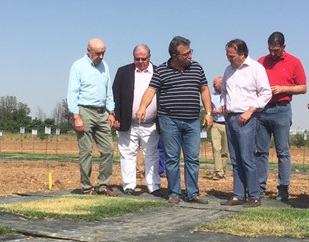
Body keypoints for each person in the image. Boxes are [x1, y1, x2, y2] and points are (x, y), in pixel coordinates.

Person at [136, 36, 213, 205]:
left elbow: (204, 89)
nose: (190, 56)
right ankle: (174, 193)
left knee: (192, 158)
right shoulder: (162, 70)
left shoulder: (197, 68)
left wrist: (208, 112)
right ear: (174, 56)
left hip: (192, 121)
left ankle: (193, 193)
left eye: (190, 52)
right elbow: (151, 91)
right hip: (169, 121)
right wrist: (142, 107)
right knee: (172, 158)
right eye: (185, 54)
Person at [255, 32, 307, 201]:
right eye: (270, 49)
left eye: (276, 50)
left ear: (283, 47)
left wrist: (284, 89)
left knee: (282, 151)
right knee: (260, 151)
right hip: (262, 110)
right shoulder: (261, 62)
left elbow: (303, 87)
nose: (272, 53)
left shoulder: (294, 62)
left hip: (282, 110)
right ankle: (260, 187)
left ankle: (283, 188)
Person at [220, 39, 272, 208]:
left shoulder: (256, 68)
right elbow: (223, 91)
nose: (229, 59)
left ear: (242, 55)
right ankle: (238, 194)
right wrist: (224, 105)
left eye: (232, 56)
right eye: (227, 55)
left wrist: (250, 111)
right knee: (235, 158)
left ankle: (254, 196)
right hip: (231, 117)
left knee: (247, 157)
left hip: (247, 118)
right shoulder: (228, 70)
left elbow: (266, 93)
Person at [67, 38, 118, 196]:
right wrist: (76, 116)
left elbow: (108, 90)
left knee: (108, 149)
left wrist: (111, 112)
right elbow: (73, 92)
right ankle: (87, 187)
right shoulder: (78, 66)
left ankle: (103, 185)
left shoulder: (105, 66)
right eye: (98, 53)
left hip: (102, 111)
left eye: (103, 53)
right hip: (84, 111)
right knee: (86, 151)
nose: (101, 57)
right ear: (89, 50)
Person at [112, 44, 161, 196]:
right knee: (127, 154)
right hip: (128, 123)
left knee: (151, 154)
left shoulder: (158, 72)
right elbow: (116, 95)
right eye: (137, 59)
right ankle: (129, 186)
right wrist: (116, 116)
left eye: (143, 59)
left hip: (151, 123)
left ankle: (154, 186)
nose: (140, 62)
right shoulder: (123, 72)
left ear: (149, 57)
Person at [209, 76, 229, 180]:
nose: (213, 86)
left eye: (215, 84)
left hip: (227, 124)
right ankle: (218, 172)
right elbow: (208, 110)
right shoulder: (211, 96)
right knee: (216, 148)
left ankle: (222, 170)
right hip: (216, 124)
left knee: (225, 151)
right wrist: (213, 111)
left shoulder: (228, 96)